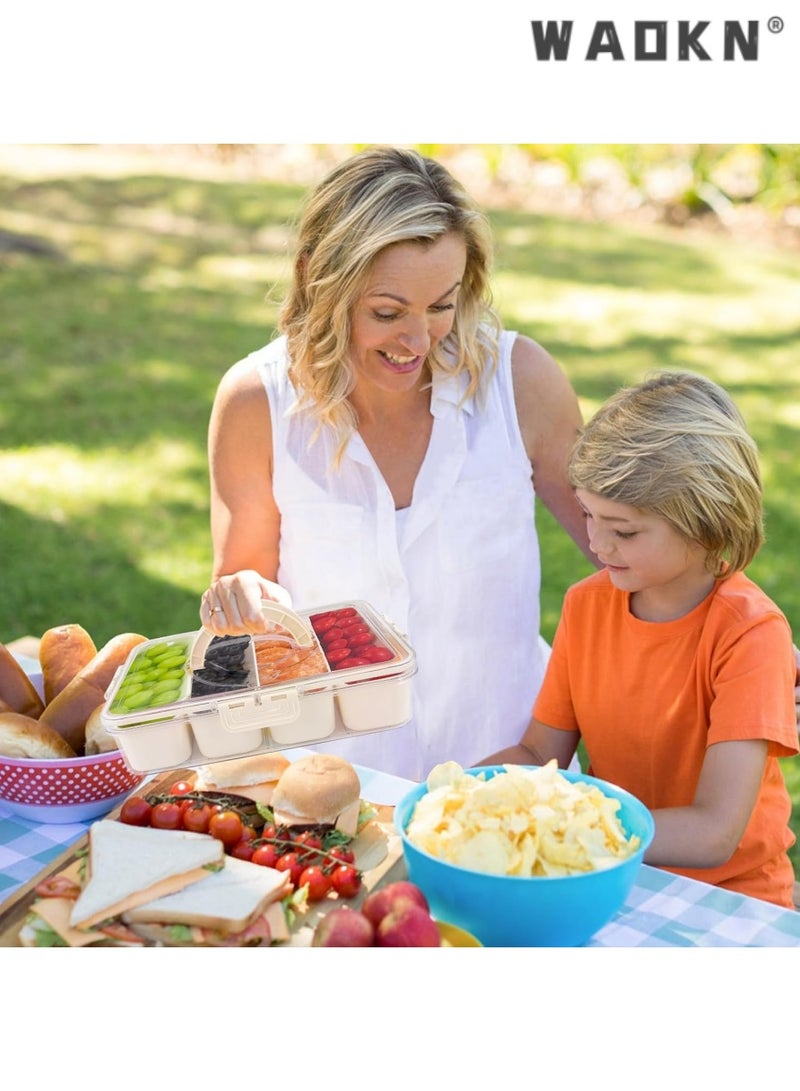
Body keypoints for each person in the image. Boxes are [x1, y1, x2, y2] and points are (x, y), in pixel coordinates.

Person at [199, 146, 597, 781]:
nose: (418, 340)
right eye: (387, 312)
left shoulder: (518, 382)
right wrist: (244, 600)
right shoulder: (257, 402)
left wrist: (747, 641)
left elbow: (628, 546)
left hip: (509, 776)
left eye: (441, 305)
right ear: (316, 279)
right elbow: (248, 598)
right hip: (333, 783)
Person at [482, 371, 799, 907]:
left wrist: (572, 822)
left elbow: (714, 831)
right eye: (588, 514)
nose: (596, 541)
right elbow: (540, 751)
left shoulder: (749, 634)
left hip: (731, 898)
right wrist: (462, 797)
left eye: (624, 530)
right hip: (610, 876)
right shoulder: (586, 605)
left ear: (707, 524)